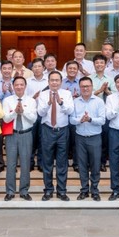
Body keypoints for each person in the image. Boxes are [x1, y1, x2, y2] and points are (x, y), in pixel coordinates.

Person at [37, 70, 75, 201]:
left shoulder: (67, 94)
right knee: (47, 162)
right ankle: (48, 190)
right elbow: (40, 113)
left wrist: (61, 102)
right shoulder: (42, 95)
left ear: (61, 82)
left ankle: (62, 191)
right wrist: (48, 103)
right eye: (52, 80)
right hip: (48, 129)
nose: (54, 82)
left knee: (62, 163)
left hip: (63, 130)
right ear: (48, 82)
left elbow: (70, 110)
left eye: (57, 80)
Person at [1, 76, 37, 201]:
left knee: (26, 164)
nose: (19, 87)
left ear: (25, 86)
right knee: (11, 164)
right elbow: (5, 119)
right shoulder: (7, 101)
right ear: (13, 86)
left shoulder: (31, 101)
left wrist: (23, 112)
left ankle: (24, 191)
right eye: (17, 84)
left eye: (22, 84)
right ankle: (10, 191)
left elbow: (33, 119)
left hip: (26, 134)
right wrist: (15, 112)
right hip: (12, 134)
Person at [71, 76, 105, 201]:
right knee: (82, 165)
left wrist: (90, 119)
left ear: (92, 87)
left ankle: (95, 190)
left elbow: (102, 120)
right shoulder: (75, 102)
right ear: (79, 88)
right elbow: (71, 119)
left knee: (96, 165)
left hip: (95, 137)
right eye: (83, 86)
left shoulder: (99, 101)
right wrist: (80, 120)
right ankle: (84, 190)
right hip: (80, 138)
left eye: (88, 86)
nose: (85, 88)